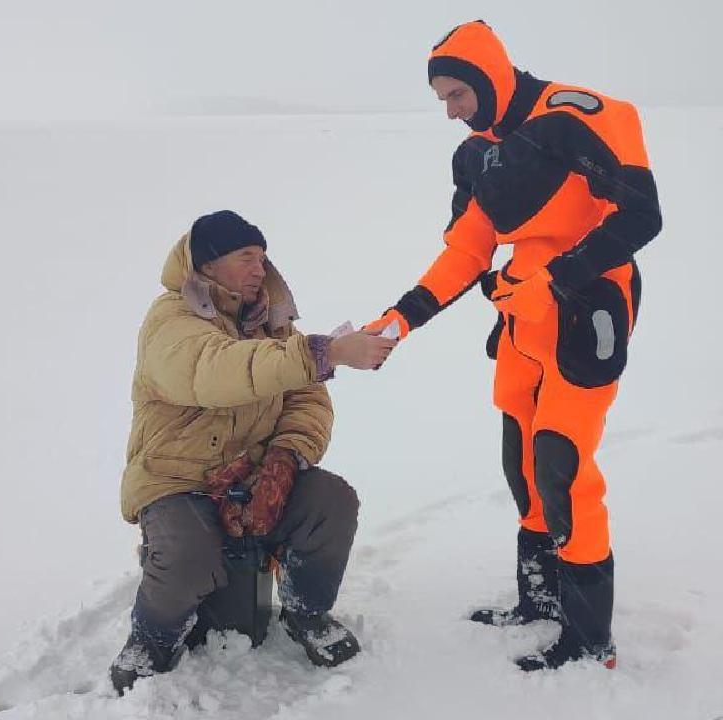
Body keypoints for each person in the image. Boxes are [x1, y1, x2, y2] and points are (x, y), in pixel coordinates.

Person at [365, 20, 662, 671]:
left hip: (590, 311)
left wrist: (557, 281)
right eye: (441, 100)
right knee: (523, 464)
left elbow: (642, 214)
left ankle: (589, 638)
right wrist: (398, 320)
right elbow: (466, 252)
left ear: (487, 77)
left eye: (457, 95)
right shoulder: (476, 154)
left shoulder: (572, 115)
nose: (451, 112)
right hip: (522, 326)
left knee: (563, 465)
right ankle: (540, 598)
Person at [110, 209, 397, 695]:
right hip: (176, 477)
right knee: (188, 551)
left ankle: (307, 611)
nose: (259, 269)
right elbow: (213, 370)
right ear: (207, 264)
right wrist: (324, 353)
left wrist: (286, 456)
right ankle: (153, 637)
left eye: (262, 257)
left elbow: (307, 399)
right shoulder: (170, 319)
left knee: (331, 502)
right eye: (245, 257)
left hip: (255, 472)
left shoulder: (273, 324)